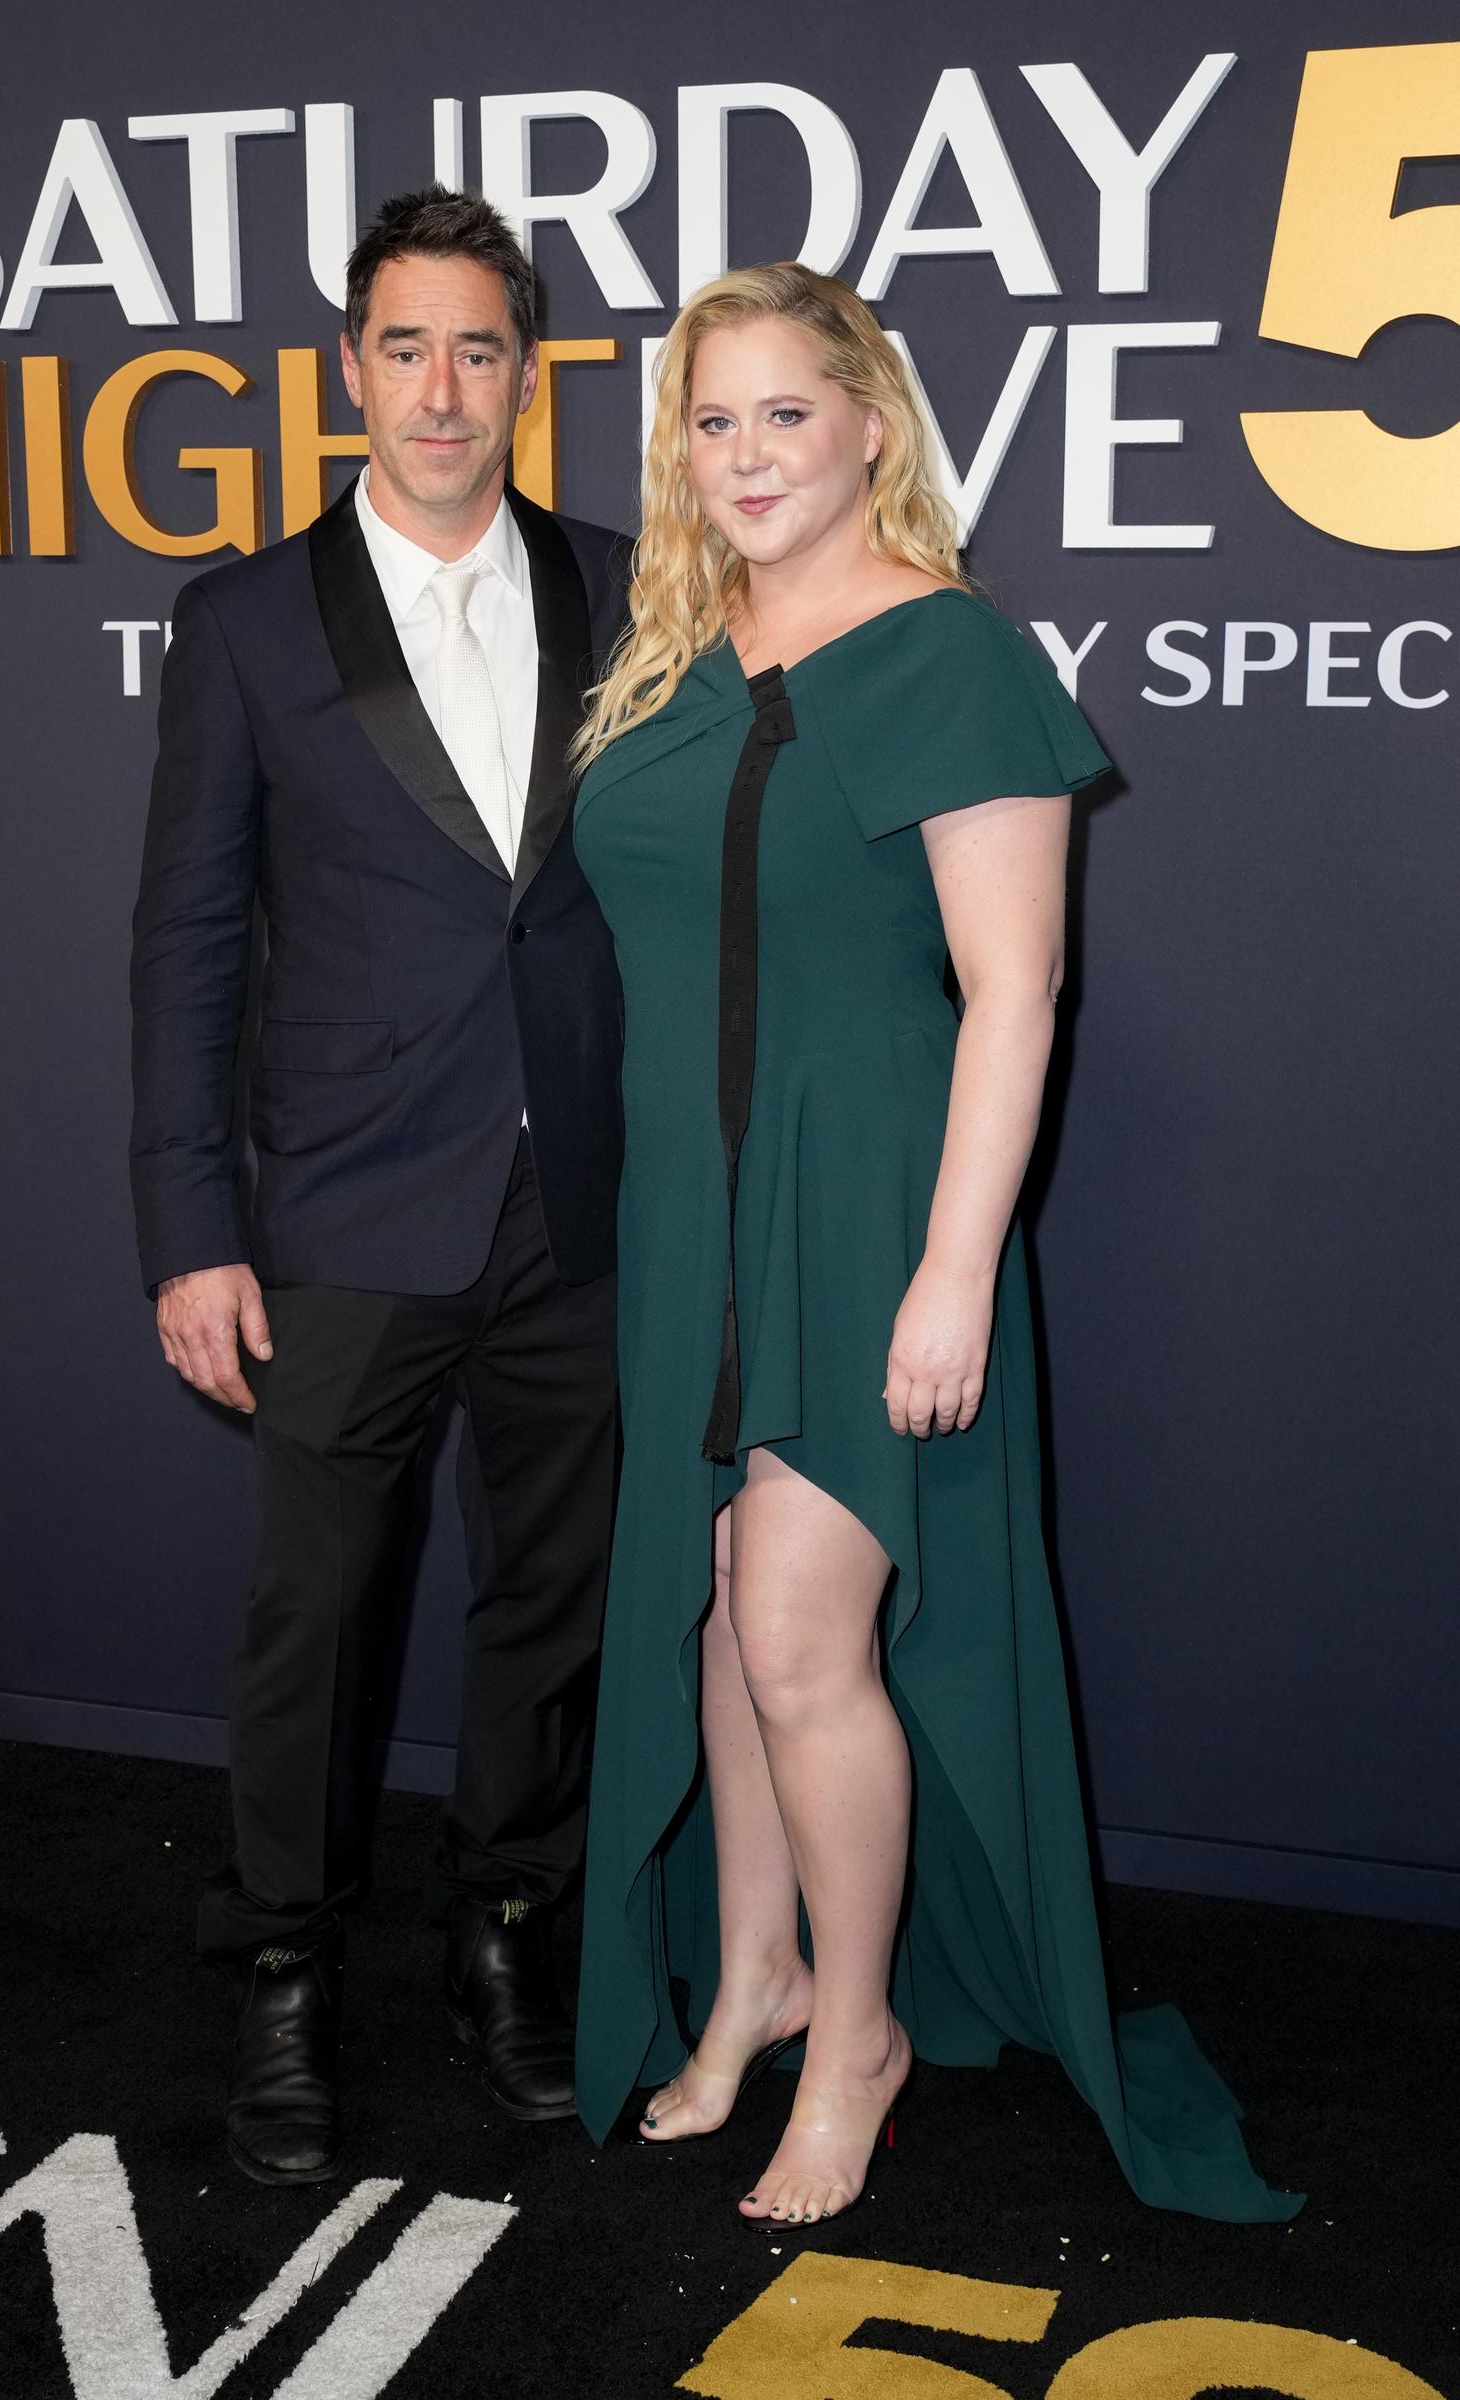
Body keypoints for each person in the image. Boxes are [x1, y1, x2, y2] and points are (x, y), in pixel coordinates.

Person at [568, 263, 1299, 2227]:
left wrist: (952, 1268)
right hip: (684, 1217)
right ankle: (753, 1981)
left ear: (866, 427)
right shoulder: (676, 645)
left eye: (778, 415)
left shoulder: (948, 653)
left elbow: (1013, 990)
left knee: (805, 1639)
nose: (738, 456)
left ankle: (862, 2030)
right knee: (723, 1622)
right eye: (707, 420)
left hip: (866, 1204)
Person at [128, 185, 630, 2183]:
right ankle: (279, 1972)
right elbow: (184, 942)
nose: (443, 388)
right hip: (342, 1209)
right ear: (350, 370)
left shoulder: (620, 584)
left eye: (480, 349)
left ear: (526, 373)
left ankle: (506, 1929)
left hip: (581, 1206)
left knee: (552, 1603)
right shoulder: (248, 618)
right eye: (406, 347)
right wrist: (191, 1230)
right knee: (311, 1622)